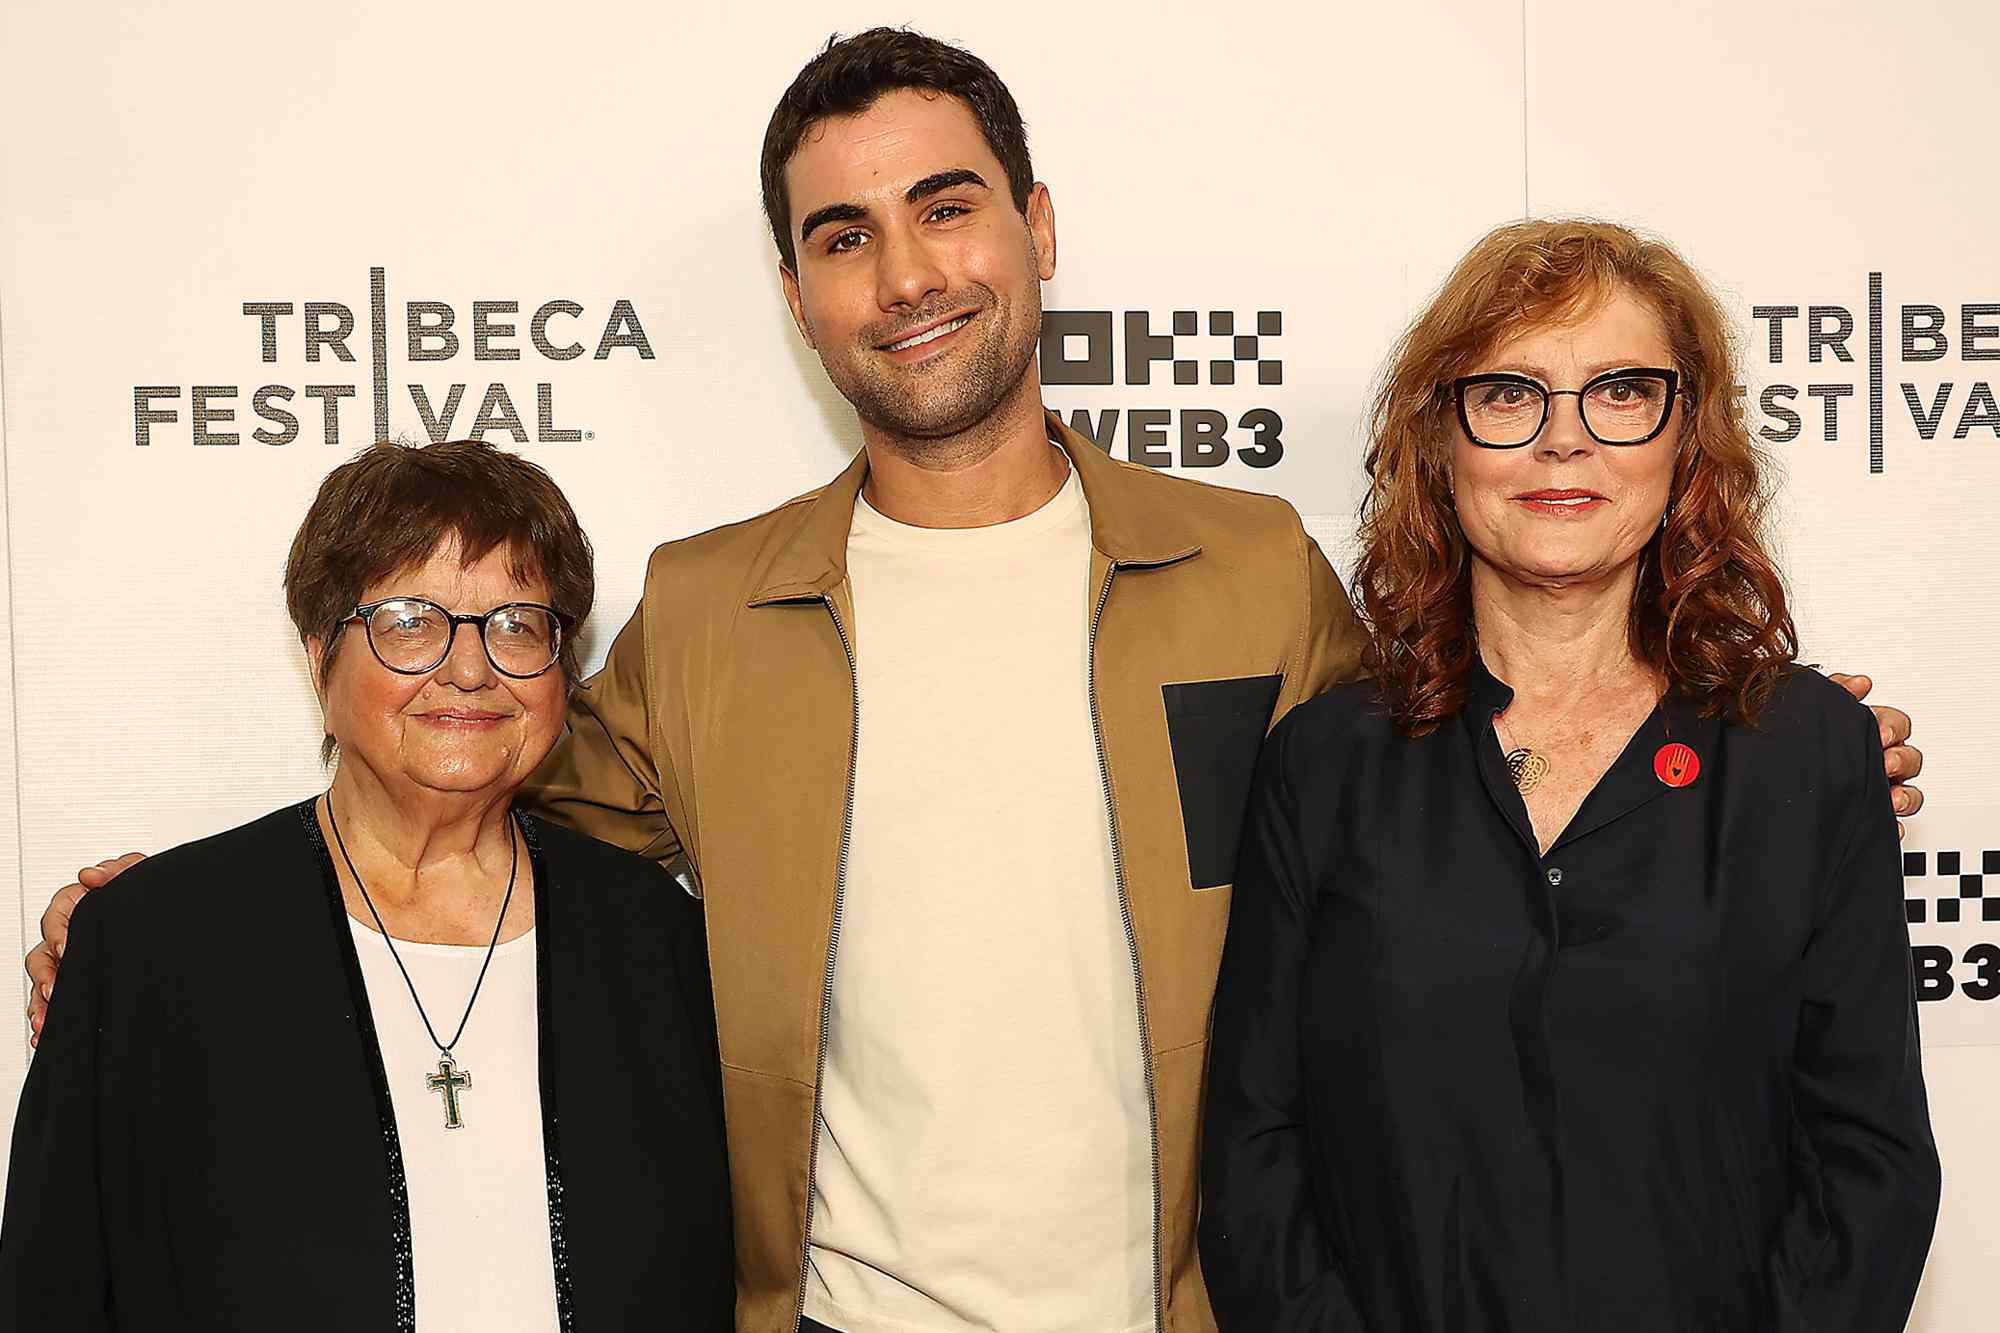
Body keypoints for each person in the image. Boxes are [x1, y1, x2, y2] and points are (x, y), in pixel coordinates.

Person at [22, 32, 1925, 1333]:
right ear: (796, 294)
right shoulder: (705, 610)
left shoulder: (1249, 572)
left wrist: (1757, 727)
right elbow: (463, 801)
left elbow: (1480, 755)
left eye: (946, 205)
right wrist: (196, 927)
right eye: (842, 235)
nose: (905, 270)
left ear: (1034, 227)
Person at [1198, 219, 1941, 1332]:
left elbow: (1867, 1165)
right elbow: (1254, 1155)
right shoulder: (1322, 764)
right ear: (1439, 443)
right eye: (1508, 394)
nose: (1564, 441)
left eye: (1618, 391)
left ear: (1684, 436)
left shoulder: (1807, 752)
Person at [1, 440, 733, 1330]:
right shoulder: (156, 942)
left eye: (517, 624)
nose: (470, 670)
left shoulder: (657, 938)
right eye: (412, 620)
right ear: (320, 656)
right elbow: (56, 1288)